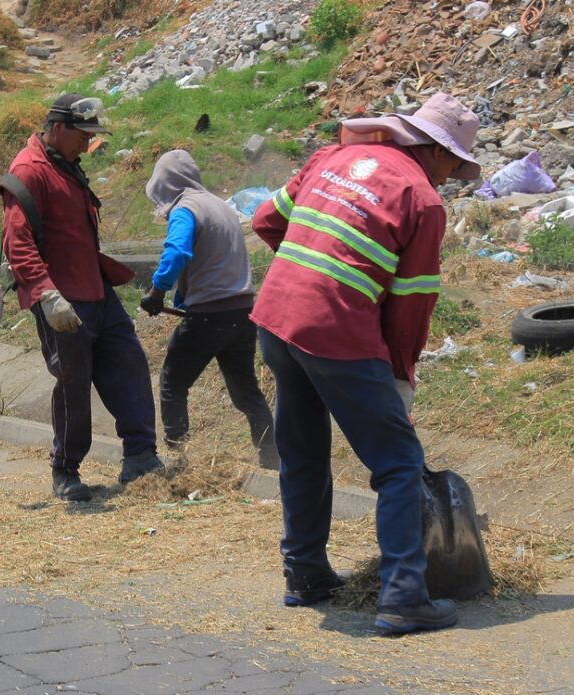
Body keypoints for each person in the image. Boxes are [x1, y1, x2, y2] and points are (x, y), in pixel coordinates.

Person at [249, 92, 481, 634]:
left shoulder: (331, 157)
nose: (450, 176)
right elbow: (411, 304)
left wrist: (309, 264)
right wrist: (402, 375)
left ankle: (305, 575)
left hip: (276, 320)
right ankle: (404, 596)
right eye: (452, 162)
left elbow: (266, 221)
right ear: (432, 150)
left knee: (303, 452)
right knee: (398, 463)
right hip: (333, 331)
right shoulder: (421, 199)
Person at [1, 93, 164, 502]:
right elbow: (16, 242)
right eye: (83, 135)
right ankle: (66, 469)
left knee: (128, 364)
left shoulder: (66, 164)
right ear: (58, 127)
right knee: (74, 383)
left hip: (96, 290)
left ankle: (141, 456)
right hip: (63, 298)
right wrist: (46, 295)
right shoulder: (29, 170)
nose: (88, 144)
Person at [139, 150, 278, 469]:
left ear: (166, 184)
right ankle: (272, 456)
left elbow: (177, 252)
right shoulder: (221, 207)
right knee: (246, 392)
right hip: (243, 313)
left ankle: (178, 456)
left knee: (173, 381)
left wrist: (158, 291)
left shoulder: (185, 209)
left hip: (208, 315)